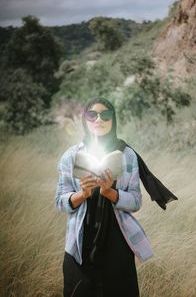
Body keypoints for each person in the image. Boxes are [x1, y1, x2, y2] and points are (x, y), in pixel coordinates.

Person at [55, 97, 176, 297]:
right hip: (80, 240)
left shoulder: (127, 155)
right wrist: (82, 194)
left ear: (113, 120)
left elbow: (136, 201)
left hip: (117, 240)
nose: (99, 119)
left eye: (106, 114)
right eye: (92, 115)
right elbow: (60, 201)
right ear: (85, 120)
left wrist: (110, 192)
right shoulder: (71, 155)